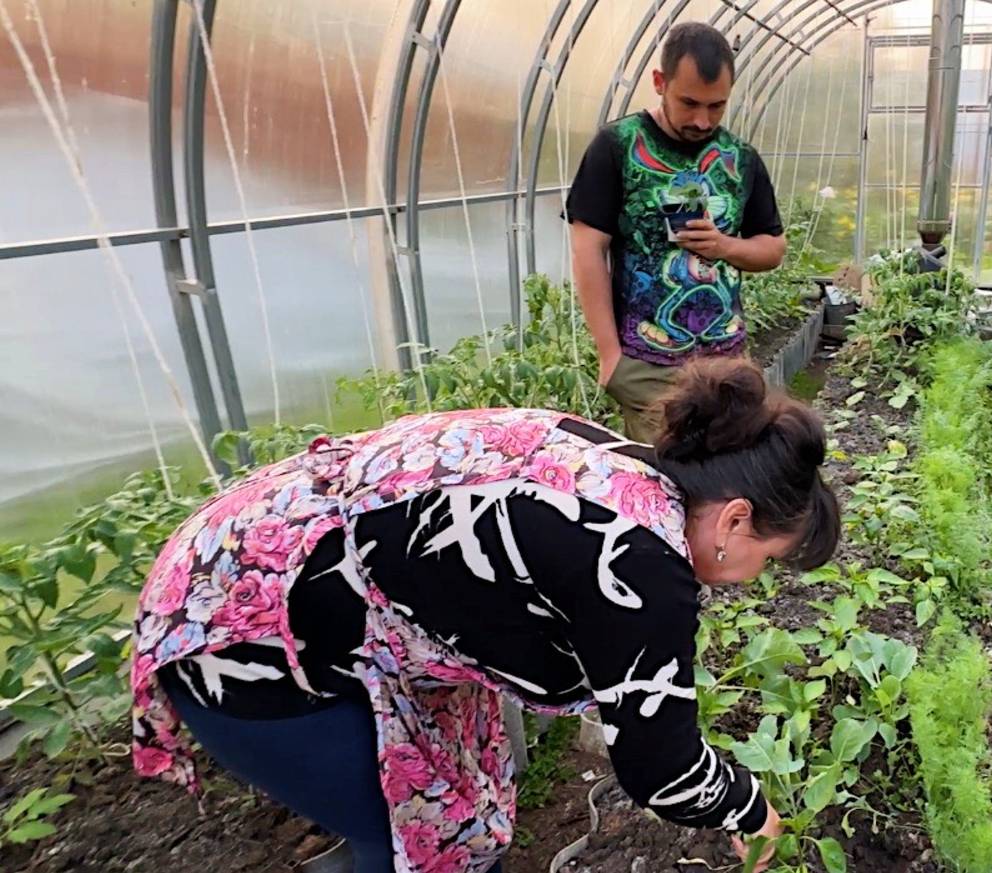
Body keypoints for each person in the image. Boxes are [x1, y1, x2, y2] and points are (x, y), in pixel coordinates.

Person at [129, 358, 839, 873]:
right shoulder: (639, 561)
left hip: (268, 552)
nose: (755, 580)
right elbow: (661, 767)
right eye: (768, 559)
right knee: (428, 841)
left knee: (456, 818)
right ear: (736, 518)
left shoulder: (630, 478)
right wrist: (749, 809)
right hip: (244, 618)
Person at [568, 21, 787, 443]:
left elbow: (772, 249)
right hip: (650, 366)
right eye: (689, 103)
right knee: (665, 487)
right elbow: (588, 250)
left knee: (728, 487)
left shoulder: (740, 159)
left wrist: (724, 246)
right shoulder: (617, 147)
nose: (702, 120)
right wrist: (611, 358)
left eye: (716, 106)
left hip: (727, 368)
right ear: (659, 82)